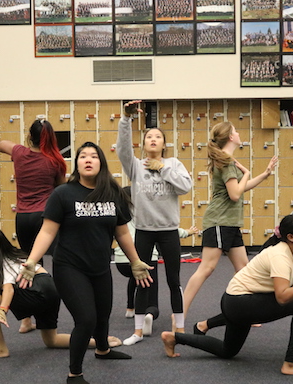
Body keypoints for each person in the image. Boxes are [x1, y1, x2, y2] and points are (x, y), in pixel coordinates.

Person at [17, 141, 152, 384]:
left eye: (93, 156)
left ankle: (103, 350)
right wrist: (31, 261)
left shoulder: (113, 193)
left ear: (101, 163)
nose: (88, 159)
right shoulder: (63, 194)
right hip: (69, 266)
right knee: (86, 319)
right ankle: (74, 374)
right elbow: (47, 231)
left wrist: (135, 261)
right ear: (76, 164)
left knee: (103, 314)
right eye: (82, 156)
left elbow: (121, 232)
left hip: (99, 266)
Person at [160, 214, 293, 376]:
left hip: (235, 301)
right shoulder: (280, 256)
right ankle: (291, 363)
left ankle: (174, 338)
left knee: (228, 351)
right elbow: (284, 297)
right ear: (291, 237)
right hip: (240, 303)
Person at [0, 225, 121, 359]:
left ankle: (0, 348)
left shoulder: (2, 263)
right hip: (50, 289)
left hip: (36, 292)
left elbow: (8, 287)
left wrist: (3, 309)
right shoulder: (7, 253)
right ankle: (99, 341)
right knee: (51, 340)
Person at [183, 121, 278, 320]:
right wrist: (247, 173)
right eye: (235, 131)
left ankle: (246, 315)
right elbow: (235, 194)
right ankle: (179, 313)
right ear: (230, 137)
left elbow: (239, 188)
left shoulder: (227, 160)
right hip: (219, 221)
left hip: (230, 223)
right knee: (206, 268)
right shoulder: (226, 161)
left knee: (244, 269)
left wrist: (264, 174)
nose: (238, 133)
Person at [117, 100, 193, 345]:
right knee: (141, 279)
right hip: (144, 231)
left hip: (168, 231)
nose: (153, 139)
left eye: (157, 137)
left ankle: (179, 329)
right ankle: (138, 331)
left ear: (163, 144)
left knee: (173, 280)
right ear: (144, 142)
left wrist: (163, 169)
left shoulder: (174, 164)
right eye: (149, 136)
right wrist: (126, 119)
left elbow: (185, 187)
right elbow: (122, 150)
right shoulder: (136, 167)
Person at [0, 119, 67, 333]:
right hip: (44, 217)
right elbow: (61, 186)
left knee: (28, 264)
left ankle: (26, 320)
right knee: (59, 261)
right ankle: (55, 306)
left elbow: (0, 144)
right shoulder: (54, 161)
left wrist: (22, 148)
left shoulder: (18, 153)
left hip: (23, 217)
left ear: (30, 137)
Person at [114, 185, 199, 332]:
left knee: (135, 278)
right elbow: (167, 230)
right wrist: (188, 232)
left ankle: (130, 308)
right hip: (145, 258)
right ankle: (150, 314)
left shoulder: (119, 214)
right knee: (150, 292)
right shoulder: (147, 212)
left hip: (121, 261)